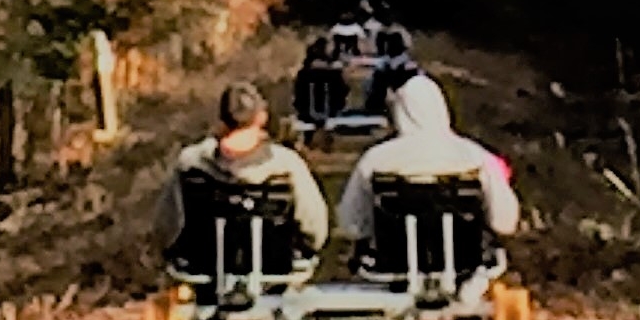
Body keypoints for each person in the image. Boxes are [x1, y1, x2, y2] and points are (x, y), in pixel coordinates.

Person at [336, 70, 519, 258]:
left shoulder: (376, 158)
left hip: (395, 257)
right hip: (465, 256)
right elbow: (504, 222)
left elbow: (351, 222)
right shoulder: (476, 157)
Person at [153, 82, 328, 270]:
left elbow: (166, 225)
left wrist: (171, 251)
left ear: (222, 119)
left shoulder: (191, 163)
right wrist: (307, 247)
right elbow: (314, 226)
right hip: (273, 268)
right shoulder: (286, 165)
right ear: (261, 117)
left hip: (204, 266)